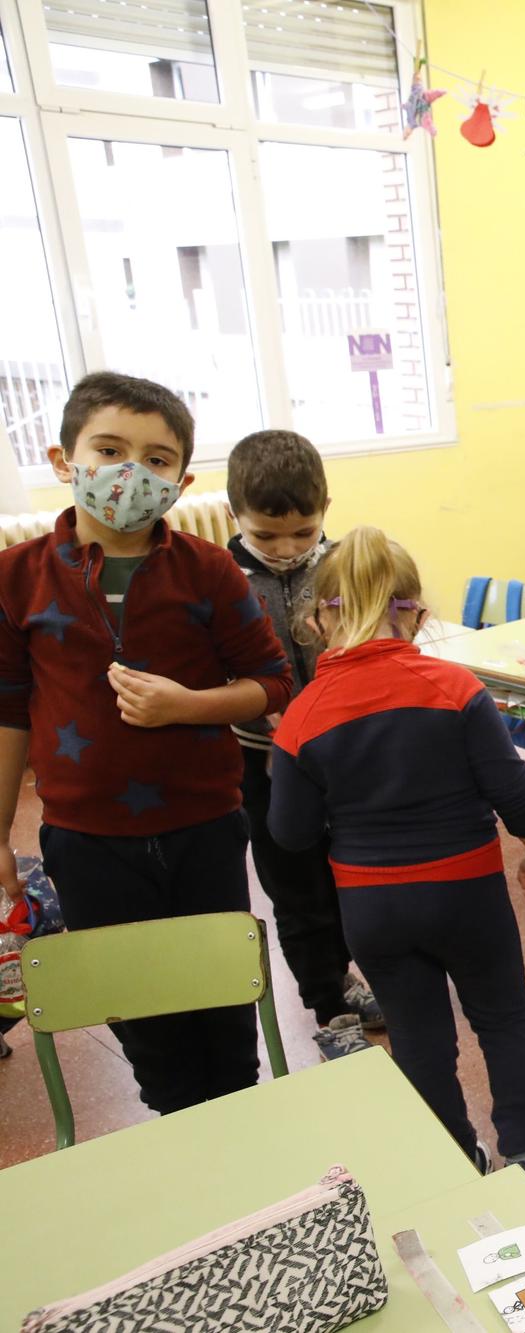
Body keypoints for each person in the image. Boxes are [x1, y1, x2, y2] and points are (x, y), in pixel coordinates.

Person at [0, 372, 294, 1115]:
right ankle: (182, 1141)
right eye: (109, 448)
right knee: (152, 1039)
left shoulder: (210, 569)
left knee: (227, 1025)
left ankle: (241, 1156)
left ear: (183, 478)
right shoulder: (18, 577)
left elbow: (270, 682)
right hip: (87, 843)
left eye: (158, 459)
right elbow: (8, 713)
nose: (133, 472)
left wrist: (187, 705)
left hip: (202, 831)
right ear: (64, 459)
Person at [269, 528, 525, 1183]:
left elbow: (288, 832)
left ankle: (457, 1157)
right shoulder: (455, 689)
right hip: (467, 893)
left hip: (372, 905)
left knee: (418, 1036)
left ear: (318, 618)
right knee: (506, 1017)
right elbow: (516, 791)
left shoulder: (301, 716)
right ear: (419, 615)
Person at [225, 429, 383, 1062]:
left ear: (325, 510)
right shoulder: (216, 577)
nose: (288, 550)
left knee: (352, 876)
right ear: (234, 512)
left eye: (304, 532)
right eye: (266, 536)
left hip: (345, 758)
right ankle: (329, 1006)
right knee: (296, 889)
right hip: (261, 765)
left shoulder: (344, 564)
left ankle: (349, 973)